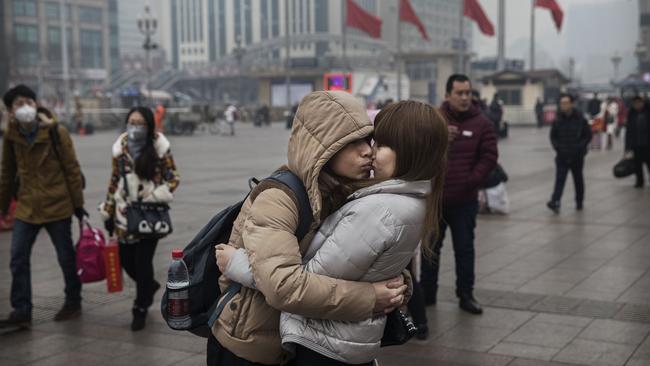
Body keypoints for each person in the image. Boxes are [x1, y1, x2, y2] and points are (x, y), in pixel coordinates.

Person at [216, 100, 448, 364]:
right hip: (253, 342)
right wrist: (376, 294)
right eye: (353, 143)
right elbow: (284, 286)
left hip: (305, 340)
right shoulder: (280, 198)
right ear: (324, 147)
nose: (368, 152)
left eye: (372, 142)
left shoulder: (362, 199)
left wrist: (393, 287)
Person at [0, 85, 87, 328]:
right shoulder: (11, 135)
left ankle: (73, 300)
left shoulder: (55, 132)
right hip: (27, 206)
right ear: (10, 110)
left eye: (29, 101)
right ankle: (22, 309)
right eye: (19, 104)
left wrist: (78, 206)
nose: (25, 107)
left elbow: (72, 169)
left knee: (65, 257)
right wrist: (3, 205)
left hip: (57, 204)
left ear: (36, 103)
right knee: (18, 257)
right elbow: (7, 172)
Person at [420, 74, 498, 315]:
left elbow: (489, 156)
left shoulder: (482, 123)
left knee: (465, 249)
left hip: (465, 201)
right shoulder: (434, 119)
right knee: (431, 250)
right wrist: (442, 140)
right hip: (436, 202)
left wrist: (472, 181)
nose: (465, 98)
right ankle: (428, 294)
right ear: (447, 95)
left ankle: (466, 294)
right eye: (459, 93)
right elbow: (420, 150)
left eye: (468, 93)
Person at [98, 106, 180, 331]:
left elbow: (173, 178)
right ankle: (149, 286)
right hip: (124, 214)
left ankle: (140, 307)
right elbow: (114, 179)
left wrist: (155, 195)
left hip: (149, 214)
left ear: (149, 125)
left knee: (143, 263)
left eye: (140, 123)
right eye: (131, 122)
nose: (135, 127)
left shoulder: (159, 147)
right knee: (126, 261)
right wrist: (107, 209)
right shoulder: (120, 148)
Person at [547, 93, 592, 213]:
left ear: (571, 104)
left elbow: (587, 135)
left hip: (577, 156)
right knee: (559, 180)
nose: (563, 105)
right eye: (562, 103)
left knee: (578, 180)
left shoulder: (580, 118)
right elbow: (553, 137)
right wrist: (558, 148)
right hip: (562, 155)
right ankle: (555, 201)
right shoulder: (557, 119)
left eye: (566, 103)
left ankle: (579, 202)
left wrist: (580, 147)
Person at [625, 96, 650, 188]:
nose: (637, 105)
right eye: (635, 103)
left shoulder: (648, 112)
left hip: (647, 144)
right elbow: (628, 131)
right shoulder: (631, 114)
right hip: (636, 144)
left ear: (643, 103)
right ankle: (639, 181)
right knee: (637, 164)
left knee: (649, 163)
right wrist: (627, 147)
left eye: (639, 103)